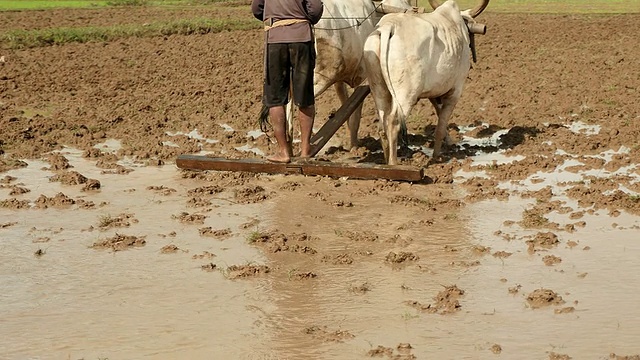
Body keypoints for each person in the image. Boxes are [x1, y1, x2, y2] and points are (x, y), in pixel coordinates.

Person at [251, 0, 324, 163]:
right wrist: (302, 19)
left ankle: (284, 152)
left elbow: (256, 9)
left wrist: (275, 19)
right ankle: (305, 149)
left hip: (275, 40)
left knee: (276, 98)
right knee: (304, 95)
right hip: (302, 39)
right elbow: (316, 8)